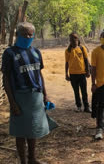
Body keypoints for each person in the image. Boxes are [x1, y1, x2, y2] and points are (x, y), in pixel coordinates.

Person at [1, 22, 57, 164]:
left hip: (35, 96)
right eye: (24, 34)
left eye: (30, 34)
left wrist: (45, 95)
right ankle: (23, 161)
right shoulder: (10, 53)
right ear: (17, 35)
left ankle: (32, 159)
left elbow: (40, 74)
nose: (27, 36)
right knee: (20, 131)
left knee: (33, 129)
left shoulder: (36, 52)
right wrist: (12, 103)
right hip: (20, 96)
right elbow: (6, 78)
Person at [65, 33, 91, 113]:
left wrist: (88, 71)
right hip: (73, 74)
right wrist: (66, 74)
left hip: (82, 74)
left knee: (84, 91)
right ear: (70, 40)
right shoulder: (68, 51)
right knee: (76, 91)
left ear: (78, 39)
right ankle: (79, 106)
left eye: (75, 38)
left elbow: (86, 60)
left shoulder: (82, 48)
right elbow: (67, 63)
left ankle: (86, 107)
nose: (73, 40)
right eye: (71, 38)